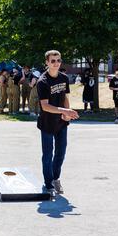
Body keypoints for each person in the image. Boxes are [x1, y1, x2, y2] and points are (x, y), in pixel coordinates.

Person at [37, 50, 79, 198]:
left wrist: (67, 112)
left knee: (60, 153)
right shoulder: (42, 81)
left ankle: (55, 179)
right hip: (47, 123)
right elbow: (45, 106)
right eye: (53, 61)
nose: (56, 63)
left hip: (61, 122)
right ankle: (48, 184)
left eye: (58, 60)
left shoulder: (64, 78)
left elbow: (65, 97)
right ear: (47, 63)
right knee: (48, 155)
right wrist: (64, 110)